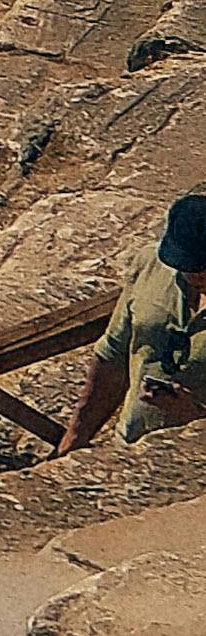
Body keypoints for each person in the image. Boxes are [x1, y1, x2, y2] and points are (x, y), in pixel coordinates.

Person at [117, 191, 206, 448]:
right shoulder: (150, 265)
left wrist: (194, 416)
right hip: (128, 448)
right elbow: (112, 354)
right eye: (186, 265)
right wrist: (74, 438)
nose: (196, 275)